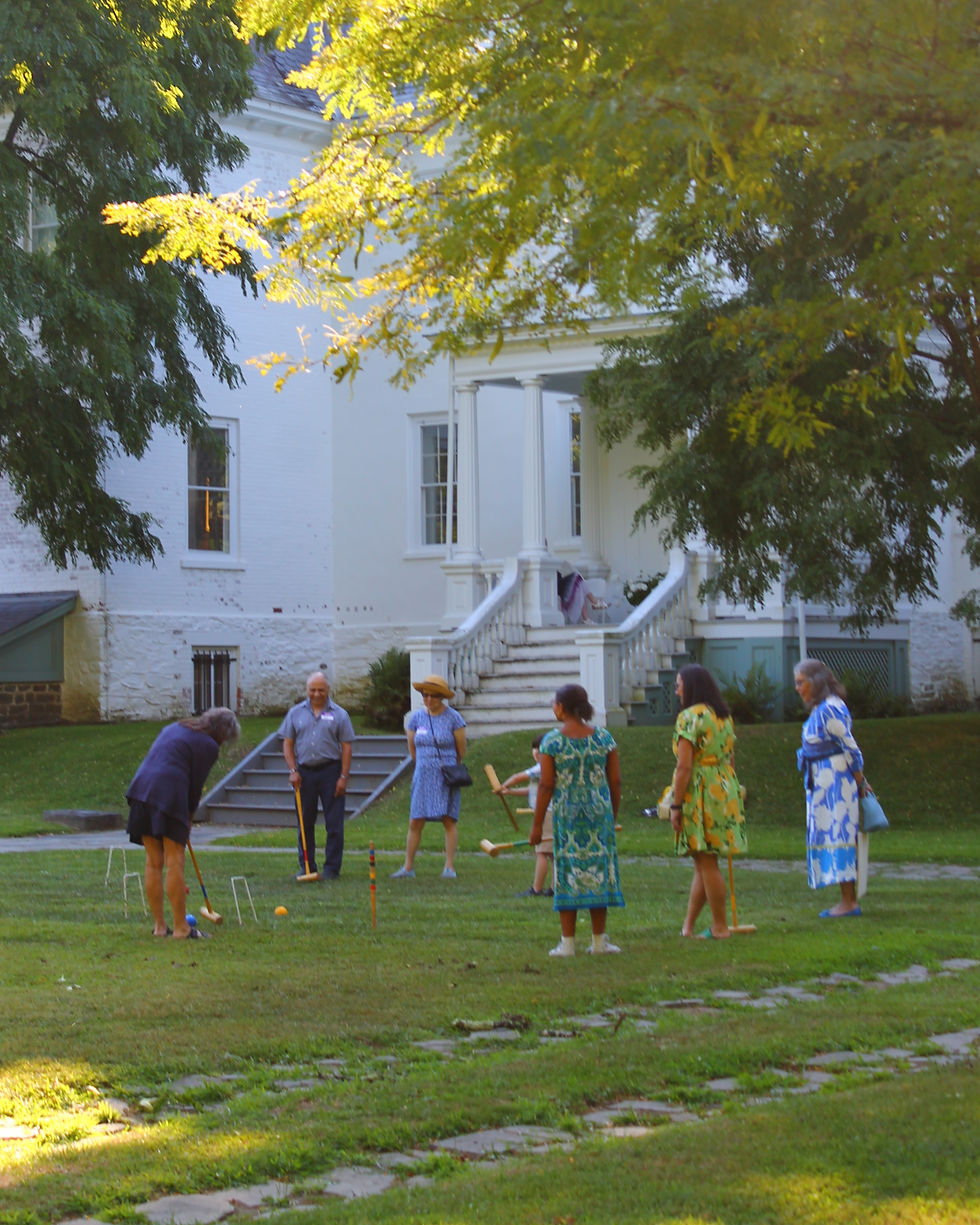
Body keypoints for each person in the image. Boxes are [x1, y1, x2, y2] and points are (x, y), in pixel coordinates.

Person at [125, 707, 240, 939]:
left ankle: (160, 927)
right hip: (169, 793)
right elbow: (195, 787)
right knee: (175, 860)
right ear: (222, 733)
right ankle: (181, 928)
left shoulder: (175, 727)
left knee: (153, 861)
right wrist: (187, 819)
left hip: (141, 791)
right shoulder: (208, 746)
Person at [531, 683, 623, 955]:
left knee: (568, 871)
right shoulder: (604, 738)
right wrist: (611, 814)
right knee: (598, 871)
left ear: (561, 707)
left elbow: (546, 786)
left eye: (554, 703)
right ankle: (598, 941)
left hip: (568, 815)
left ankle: (568, 943)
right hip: (598, 813)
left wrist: (537, 826)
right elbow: (615, 780)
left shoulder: (552, 741)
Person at [669, 664, 747, 939]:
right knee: (703, 861)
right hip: (723, 788)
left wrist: (675, 806)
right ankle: (688, 927)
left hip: (701, 790)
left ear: (690, 686)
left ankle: (720, 926)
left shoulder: (689, 718)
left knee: (707, 861)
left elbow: (684, 767)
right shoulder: (723, 717)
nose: (676, 688)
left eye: (679, 683)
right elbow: (730, 757)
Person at [794, 658, 870, 918]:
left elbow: (849, 746)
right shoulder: (821, 709)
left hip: (836, 784)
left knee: (840, 836)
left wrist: (860, 781)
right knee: (833, 837)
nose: (797, 687)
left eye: (801, 682)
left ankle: (849, 902)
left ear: (815, 682)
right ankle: (845, 900)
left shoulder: (831, 709)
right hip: (823, 783)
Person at [280, 671, 356, 881]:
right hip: (304, 773)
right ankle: (306, 866)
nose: (316, 694)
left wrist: (343, 776)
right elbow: (288, 743)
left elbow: (347, 747)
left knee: (334, 823)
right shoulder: (295, 713)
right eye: (312, 690)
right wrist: (293, 770)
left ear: (328, 690)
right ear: (307, 691)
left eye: (320, 690)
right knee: (304, 823)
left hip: (331, 771)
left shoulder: (340, 714)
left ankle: (331, 868)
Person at [392, 673, 467, 879]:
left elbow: (462, 749)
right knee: (415, 820)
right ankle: (408, 867)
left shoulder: (454, 718)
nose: (428, 700)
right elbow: (413, 749)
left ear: (441, 697)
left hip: (446, 774)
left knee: (449, 819)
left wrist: (448, 766)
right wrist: (424, 764)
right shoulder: (416, 718)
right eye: (425, 695)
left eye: (433, 696)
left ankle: (449, 866)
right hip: (423, 773)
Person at [499, 734, 554, 897]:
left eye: (541, 749)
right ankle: (554, 888)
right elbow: (532, 791)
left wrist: (502, 785)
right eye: (535, 748)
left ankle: (537, 889)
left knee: (542, 852)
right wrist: (509, 792)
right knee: (551, 853)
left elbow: (519, 777)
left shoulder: (543, 766)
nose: (537, 752)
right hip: (548, 812)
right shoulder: (544, 768)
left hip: (548, 813)